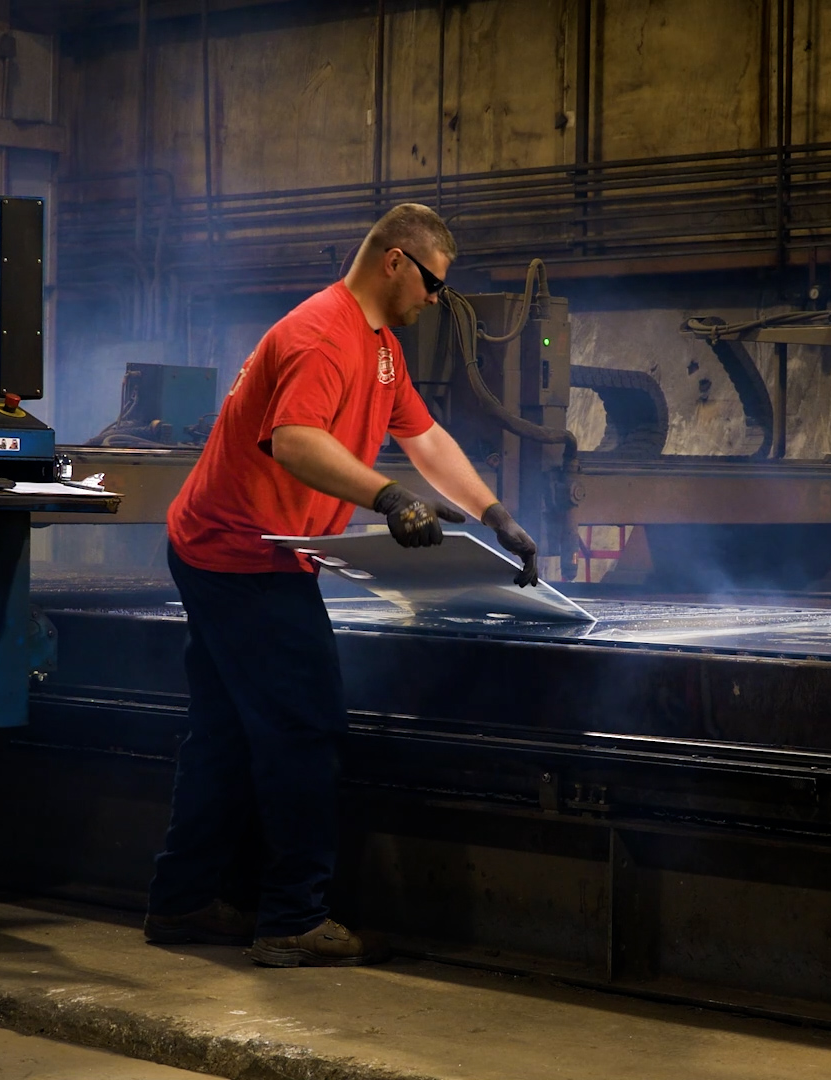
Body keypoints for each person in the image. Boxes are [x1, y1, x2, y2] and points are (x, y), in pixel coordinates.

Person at [145, 204, 538, 968]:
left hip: (234, 547)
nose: (434, 299)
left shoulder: (383, 348)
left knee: (225, 732)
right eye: (432, 282)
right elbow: (295, 442)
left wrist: (493, 514)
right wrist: (389, 499)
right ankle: (293, 917)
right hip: (241, 555)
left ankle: (185, 898)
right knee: (305, 728)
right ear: (395, 261)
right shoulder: (322, 333)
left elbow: (425, 439)